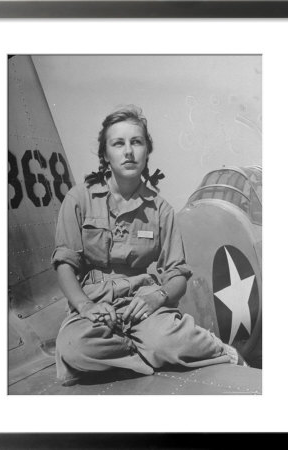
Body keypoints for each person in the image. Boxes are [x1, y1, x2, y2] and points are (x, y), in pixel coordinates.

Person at [51, 105, 246, 387]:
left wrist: (156, 298)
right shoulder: (78, 199)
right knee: (74, 347)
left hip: (142, 302)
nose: (128, 152)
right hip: (95, 302)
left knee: (168, 341)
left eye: (136, 142)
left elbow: (177, 274)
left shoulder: (161, 210)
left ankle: (217, 349)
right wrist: (84, 306)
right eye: (118, 143)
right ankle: (149, 352)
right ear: (105, 154)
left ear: (146, 151)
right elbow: (65, 264)